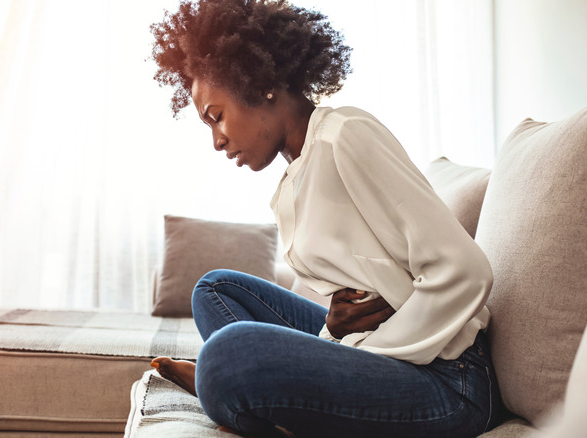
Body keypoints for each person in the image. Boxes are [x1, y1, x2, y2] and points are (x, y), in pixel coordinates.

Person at [148, 1, 501, 437]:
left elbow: (465, 271)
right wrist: (332, 334)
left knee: (226, 359)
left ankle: (233, 390)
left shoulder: (344, 136)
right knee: (215, 290)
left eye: (216, 117)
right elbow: (356, 305)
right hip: (382, 353)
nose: (217, 141)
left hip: (450, 380)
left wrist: (351, 349)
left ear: (260, 84)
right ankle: (253, 395)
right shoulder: (297, 175)